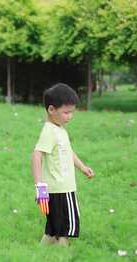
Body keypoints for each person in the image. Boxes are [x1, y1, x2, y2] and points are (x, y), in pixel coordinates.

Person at [31, 83, 94, 246]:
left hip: (59, 187)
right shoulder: (50, 131)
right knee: (65, 228)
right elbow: (37, 154)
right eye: (66, 112)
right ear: (51, 110)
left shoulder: (59, 129)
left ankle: (39, 253)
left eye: (72, 112)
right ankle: (64, 260)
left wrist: (82, 167)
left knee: (53, 228)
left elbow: (68, 152)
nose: (70, 116)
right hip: (60, 188)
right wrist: (39, 185)